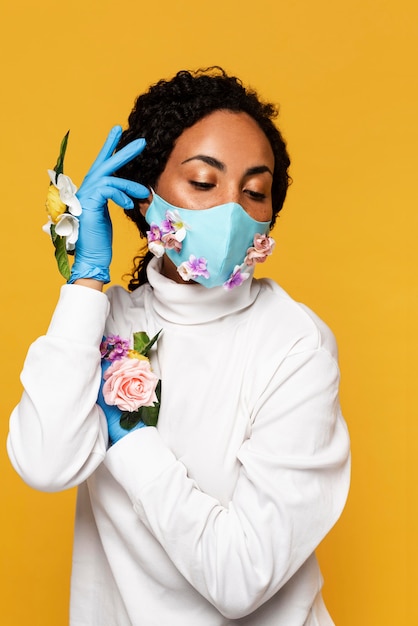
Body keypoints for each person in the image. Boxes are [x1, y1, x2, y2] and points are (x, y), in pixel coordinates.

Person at [7, 68, 350, 625]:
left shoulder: (295, 344)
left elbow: (242, 578)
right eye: (203, 182)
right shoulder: (104, 320)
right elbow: (45, 465)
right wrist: (86, 280)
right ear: (146, 199)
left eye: (255, 192)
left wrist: (130, 437)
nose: (231, 211)